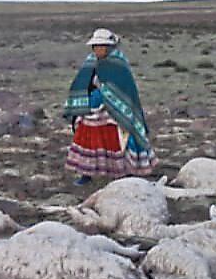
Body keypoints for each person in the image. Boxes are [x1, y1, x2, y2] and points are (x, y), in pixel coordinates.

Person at [62, 28, 157, 186]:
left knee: (119, 139)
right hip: (92, 108)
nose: (98, 49)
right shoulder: (91, 61)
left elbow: (124, 89)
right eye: (96, 46)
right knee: (87, 138)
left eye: (102, 46)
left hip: (115, 111)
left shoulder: (118, 63)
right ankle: (87, 173)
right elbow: (81, 82)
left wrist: (107, 97)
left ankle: (123, 171)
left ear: (109, 47)